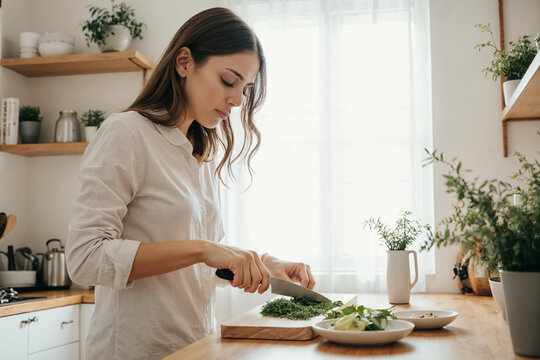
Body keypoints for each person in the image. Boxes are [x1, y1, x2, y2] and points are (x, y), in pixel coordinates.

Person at [66, 7, 315, 360]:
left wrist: (264, 264)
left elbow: (203, 261)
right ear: (184, 62)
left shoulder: (198, 153)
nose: (237, 99)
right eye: (229, 81)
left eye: (245, 89)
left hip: (194, 347)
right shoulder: (127, 133)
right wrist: (201, 248)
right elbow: (85, 258)